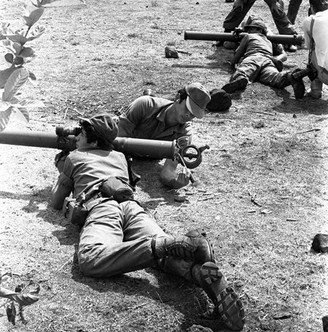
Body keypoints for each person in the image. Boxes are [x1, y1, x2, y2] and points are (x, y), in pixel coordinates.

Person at [50, 114, 245, 331]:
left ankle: (161, 245)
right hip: (132, 207)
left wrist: (62, 165)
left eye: (81, 134)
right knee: (166, 255)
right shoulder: (119, 156)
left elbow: (56, 202)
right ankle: (198, 272)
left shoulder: (75, 157)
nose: (76, 136)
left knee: (91, 259)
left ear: (94, 141)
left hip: (102, 208)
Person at [117, 83, 231, 189]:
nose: (188, 115)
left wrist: (174, 182)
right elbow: (116, 142)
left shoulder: (184, 135)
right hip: (125, 148)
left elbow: (168, 171)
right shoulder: (144, 105)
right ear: (177, 98)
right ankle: (149, 95)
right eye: (187, 108)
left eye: (193, 114)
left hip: (148, 156)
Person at [221, 17, 311, 98]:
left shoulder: (248, 36)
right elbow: (282, 54)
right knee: (275, 78)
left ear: (256, 29)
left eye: (249, 29)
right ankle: (290, 76)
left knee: (244, 70)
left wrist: (232, 63)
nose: (248, 31)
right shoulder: (268, 41)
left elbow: (238, 53)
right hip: (268, 60)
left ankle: (240, 78)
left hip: (253, 57)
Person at [302, 0, 328, 98]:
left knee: (313, 50)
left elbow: (308, 46)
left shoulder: (310, 21)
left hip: (325, 75)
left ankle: (315, 91)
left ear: (312, 7)